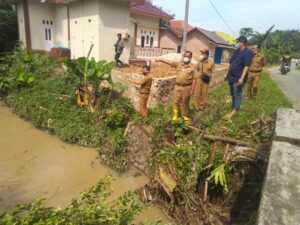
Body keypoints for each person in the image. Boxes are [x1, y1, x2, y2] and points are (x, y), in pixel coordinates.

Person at [156, 51, 196, 123]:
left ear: (190, 57)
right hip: (178, 86)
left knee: (185, 102)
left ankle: (184, 116)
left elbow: (194, 79)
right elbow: (170, 62)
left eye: (187, 56)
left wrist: (192, 89)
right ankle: (175, 115)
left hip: (187, 87)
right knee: (176, 101)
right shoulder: (179, 64)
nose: (186, 58)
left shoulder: (192, 67)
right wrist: (161, 59)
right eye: (185, 56)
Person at [223, 36, 253, 119]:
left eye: (238, 42)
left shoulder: (247, 53)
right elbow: (231, 63)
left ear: (242, 42)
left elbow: (246, 66)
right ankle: (233, 108)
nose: (237, 43)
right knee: (232, 93)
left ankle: (234, 112)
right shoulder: (237, 51)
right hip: (231, 76)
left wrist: (242, 78)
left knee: (237, 93)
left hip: (238, 77)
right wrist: (226, 73)